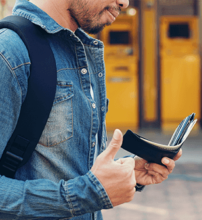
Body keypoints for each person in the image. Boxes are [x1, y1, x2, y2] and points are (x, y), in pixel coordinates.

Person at [0, 0, 182, 219]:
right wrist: (85, 194)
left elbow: (71, 169)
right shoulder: (9, 53)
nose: (124, 3)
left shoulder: (83, 51)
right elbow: (83, 191)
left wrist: (123, 173)